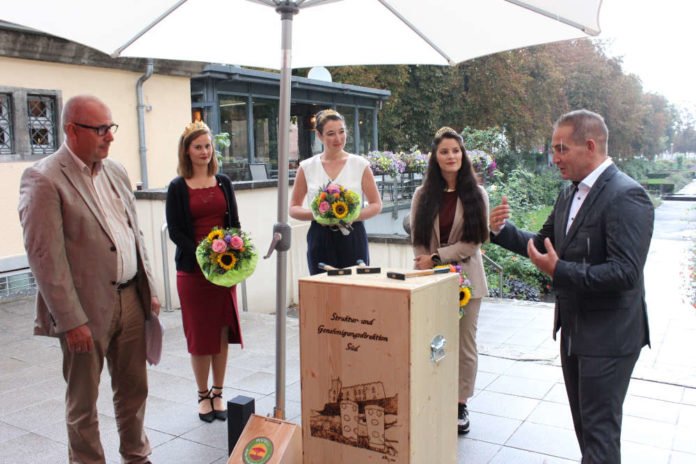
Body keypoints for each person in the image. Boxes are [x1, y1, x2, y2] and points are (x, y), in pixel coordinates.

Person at [489, 109, 653, 463]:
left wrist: (561, 271)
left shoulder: (627, 195)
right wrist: (503, 231)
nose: (555, 158)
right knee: (586, 431)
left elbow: (625, 272)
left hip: (609, 336)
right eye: (553, 149)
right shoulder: (568, 194)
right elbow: (544, 243)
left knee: (599, 434)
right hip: (574, 332)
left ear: (590, 145)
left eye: (562, 149)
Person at [18, 95, 161, 464]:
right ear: (71, 130)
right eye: (100, 129)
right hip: (84, 311)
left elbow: (133, 233)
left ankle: (137, 456)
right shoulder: (44, 178)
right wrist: (70, 321)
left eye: (110, 127)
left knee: (134, 392)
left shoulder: (116, 171)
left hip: (130, 298)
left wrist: (149, 288)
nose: (109, 137)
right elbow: (45, 258)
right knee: (84, 404)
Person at [409, 126, 489, 435]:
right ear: (436, 157)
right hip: (428, 279)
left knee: (463, 344)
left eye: (455, 150)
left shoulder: (476, 194)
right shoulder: (422, 194)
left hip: (467, 280)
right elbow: (417, 237)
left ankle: (459, 404)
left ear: (462, 154)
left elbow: (474, 241)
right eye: (444, 151)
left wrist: (437, 257)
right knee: (429, 339)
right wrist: (425, 262)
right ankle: (432, 396)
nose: (450, 156)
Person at [166, 121, 243, 423]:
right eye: (198, 146)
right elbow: (175, 231)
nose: (204, 151)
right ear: (187, 150)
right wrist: (204, 255)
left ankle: (219, 391)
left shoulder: (223, 181)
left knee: (221, 332)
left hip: (223, 271)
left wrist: (233, 254)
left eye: (208, 146)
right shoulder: (177, 186)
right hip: (194, 272)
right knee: (200, 335)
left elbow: (234, 223)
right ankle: (202, 395)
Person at [289, 109, 382, 274]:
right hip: (320, 237)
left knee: (355, 290)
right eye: (331, 133)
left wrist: (351, 216)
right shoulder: (307, 167)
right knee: (323, 293)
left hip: (353, 235)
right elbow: (294, 208)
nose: (338, 138)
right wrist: (319, 214)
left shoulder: (360, 164)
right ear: (319, 135)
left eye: (341, 132)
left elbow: (376, 204)